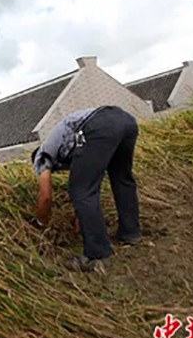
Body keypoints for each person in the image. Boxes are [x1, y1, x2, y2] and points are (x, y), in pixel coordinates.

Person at [31, 106, 142, 272]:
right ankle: (130, 232)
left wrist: (40, 222)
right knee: (121, 179)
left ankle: (97, 255)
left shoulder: (42, 155)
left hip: (98, 124)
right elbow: (89, 179)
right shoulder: (68, 147)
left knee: (81, 190)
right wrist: (81, 219)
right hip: (125, 120)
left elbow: (46, 196)